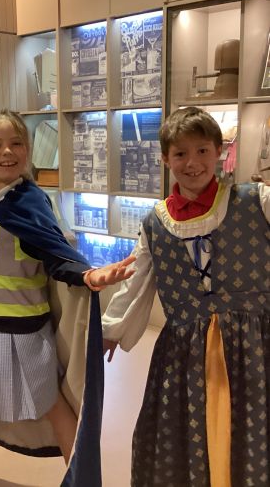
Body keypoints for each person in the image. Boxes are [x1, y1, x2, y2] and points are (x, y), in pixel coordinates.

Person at [0, 109, 136, 487]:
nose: (7, 151)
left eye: (16, 143)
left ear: (28, 150)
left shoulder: (31, 205)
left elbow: (57, 257)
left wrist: (87, 275)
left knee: (54, 408)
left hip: (26, 335)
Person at [101, 106, 270, 486]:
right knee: (188, 436)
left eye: (202, 151)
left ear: (219, 152)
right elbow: (137, 279)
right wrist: (111, 330)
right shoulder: (155, 223)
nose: (192, 163)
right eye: (180, 153)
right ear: (165, 159)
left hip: (255, 348)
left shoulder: (255, 200)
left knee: (251, 433)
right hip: (185, 353)